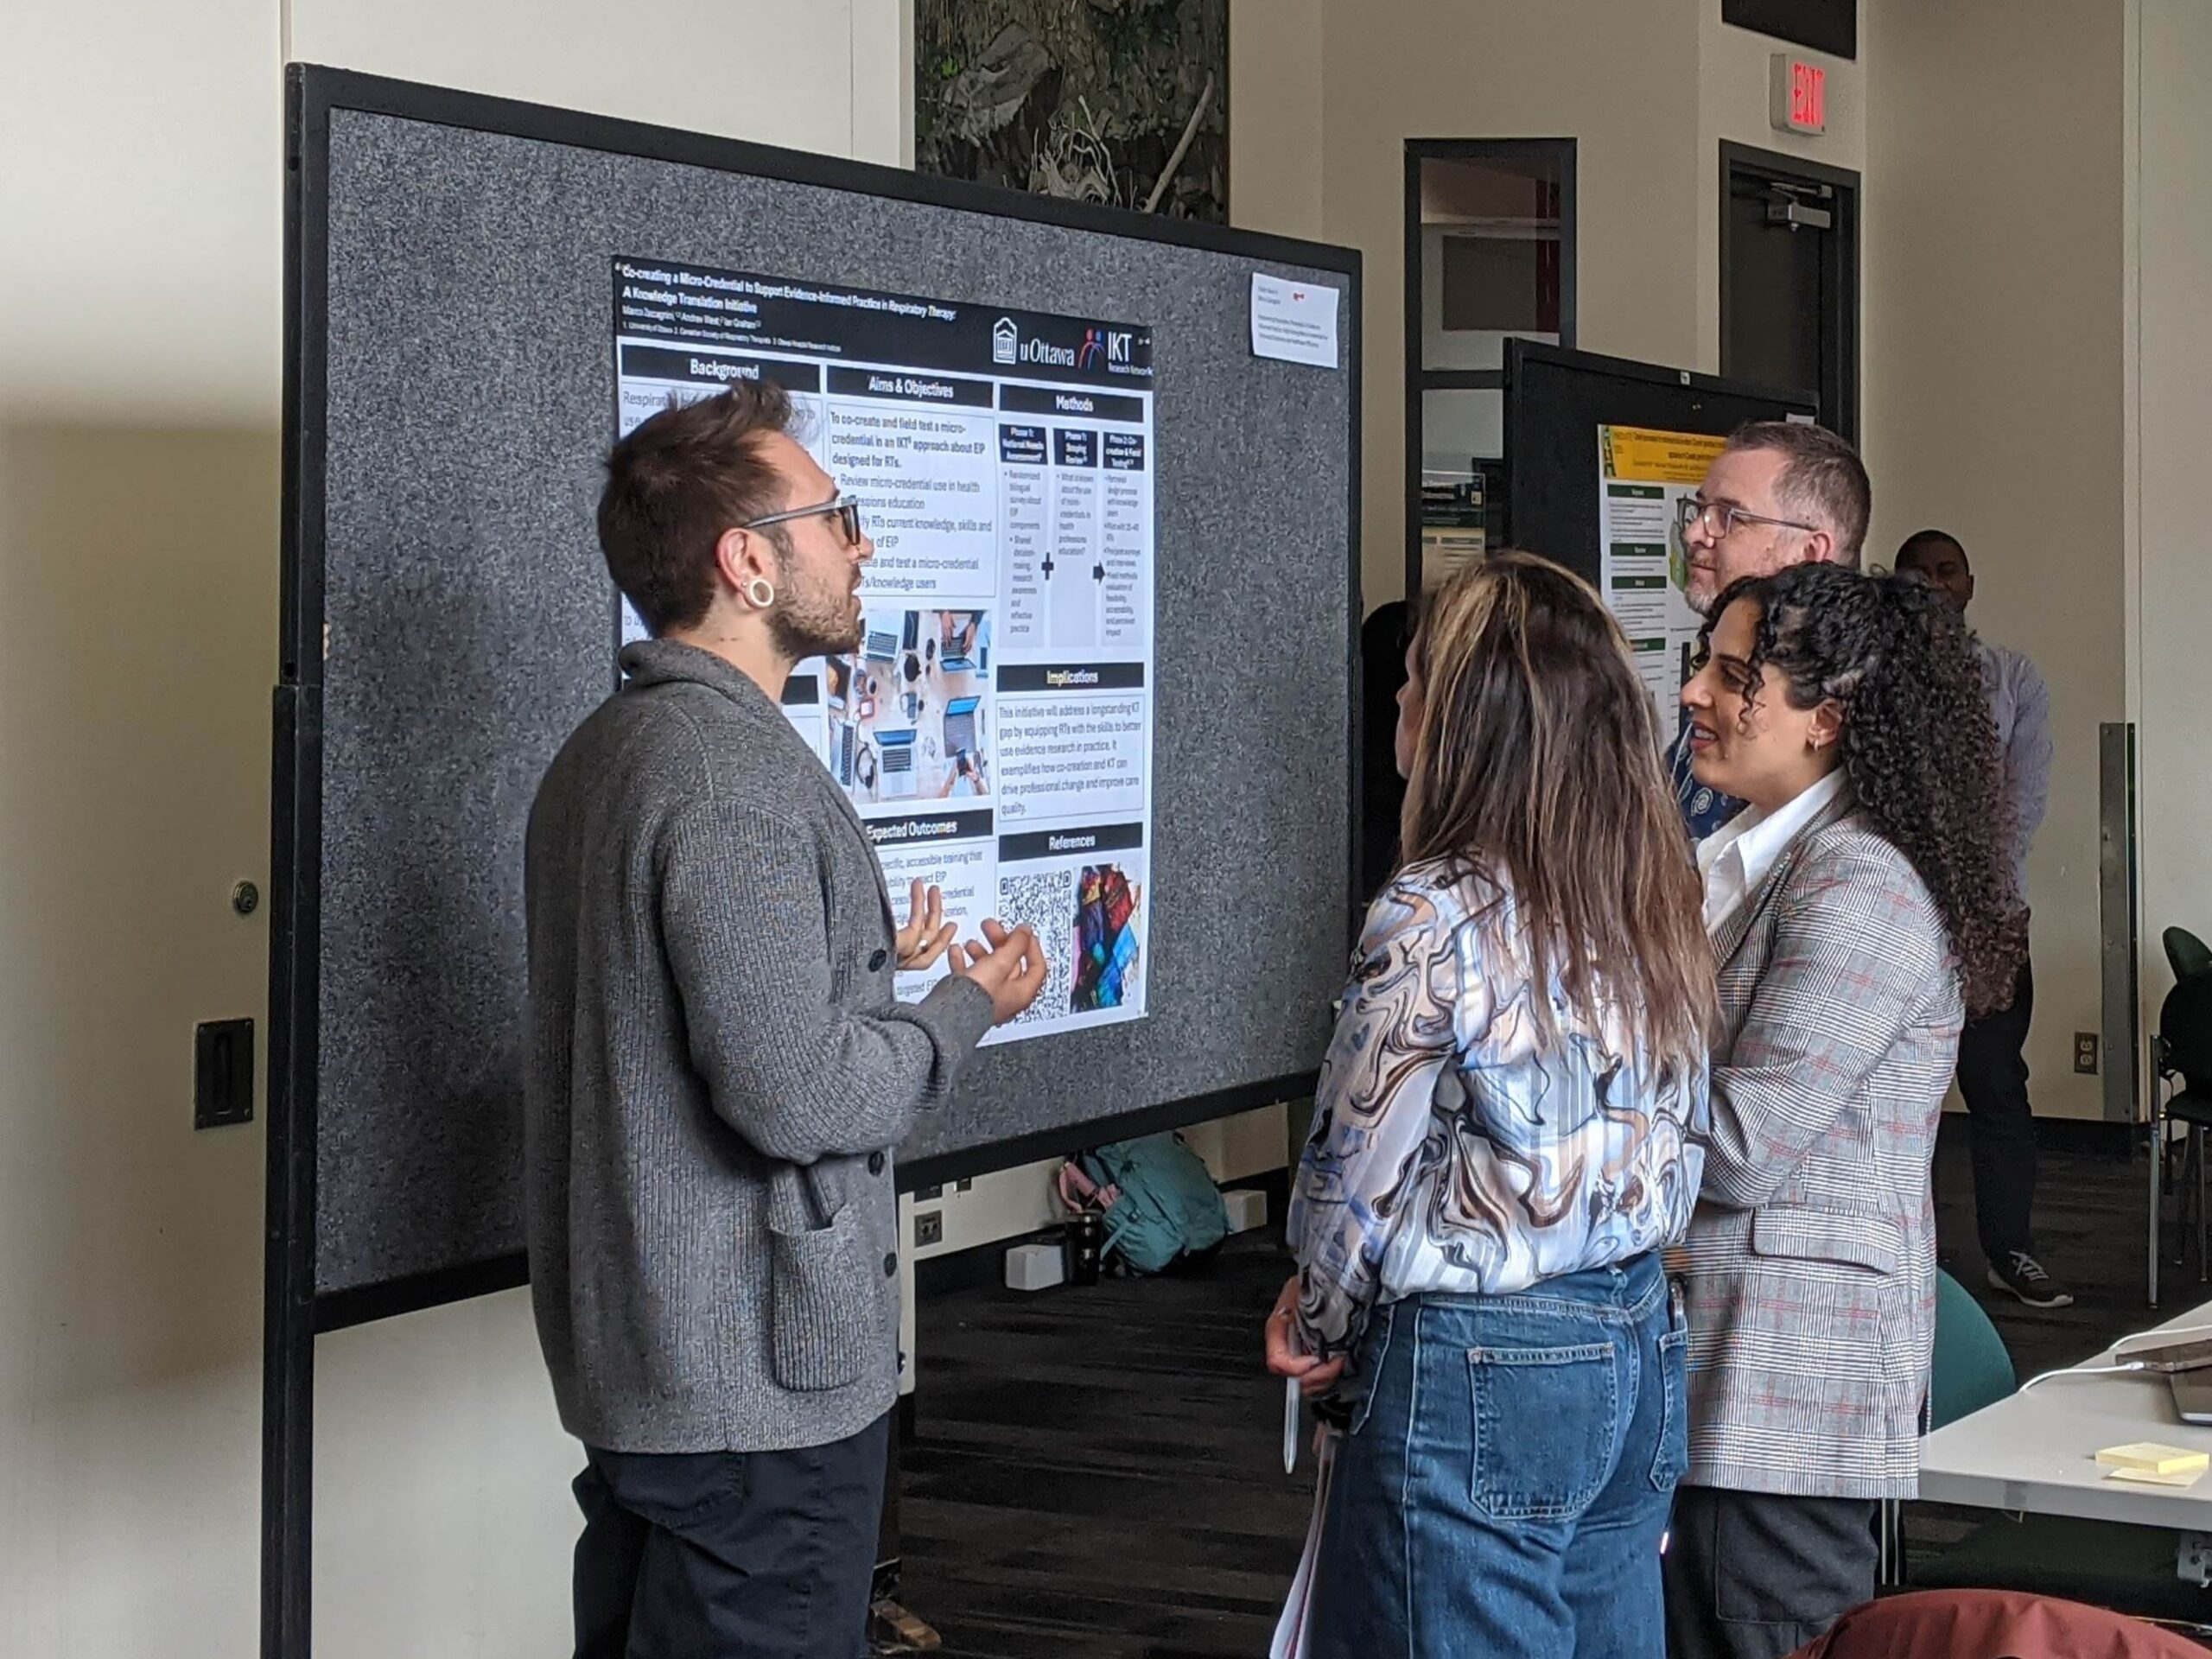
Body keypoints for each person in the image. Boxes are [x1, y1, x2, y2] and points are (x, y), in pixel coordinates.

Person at [523, 384, 1047, 1658]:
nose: (862, 546)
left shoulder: (610, 752)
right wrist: (963, 1009)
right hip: (757, 1405)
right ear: (748, 563)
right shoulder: (728, 779)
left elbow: (681, 1029)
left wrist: (863, 967)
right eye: (837, 518)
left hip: (663, 1379)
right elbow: (795, 1096)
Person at [1264, 551, 1716, 1656]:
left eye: (1416, 677)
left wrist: (1314, 1324)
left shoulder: (1432, 911)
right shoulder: (1651, 892)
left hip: (1480, 1359)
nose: (1400, 699)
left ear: (1470, 719)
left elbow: (1353, 1171)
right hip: (1638, 1343)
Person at [1663, 563, 2025, 1659]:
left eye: (1734, 676)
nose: (1694, 696)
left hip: (1778, 1404)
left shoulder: (1857, 881)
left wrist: (1569, 1082)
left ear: (1826, 720)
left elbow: (1737, 1147)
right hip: (1726, 1385)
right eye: (1704, 666)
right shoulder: (1752, 860)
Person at [1893, 529, 2066, 1307]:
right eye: (1918, 572)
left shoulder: (2015, 679)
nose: (1934, 583)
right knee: (1901, 1094)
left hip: (1991, 916)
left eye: (1947, 570)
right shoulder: (1878, 681)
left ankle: (2011, 1252)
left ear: (1970, 582)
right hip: (1897, 914)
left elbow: (2019, 807)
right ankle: (1910, 1262)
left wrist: (1965, 881)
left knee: (1996, 1088)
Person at [1669, 423, 1872, 838]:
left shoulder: (1866, 736)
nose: (1694, 533)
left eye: (1729, 516)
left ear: (1810, 552)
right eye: (1700, 509)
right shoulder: (1711, 708)